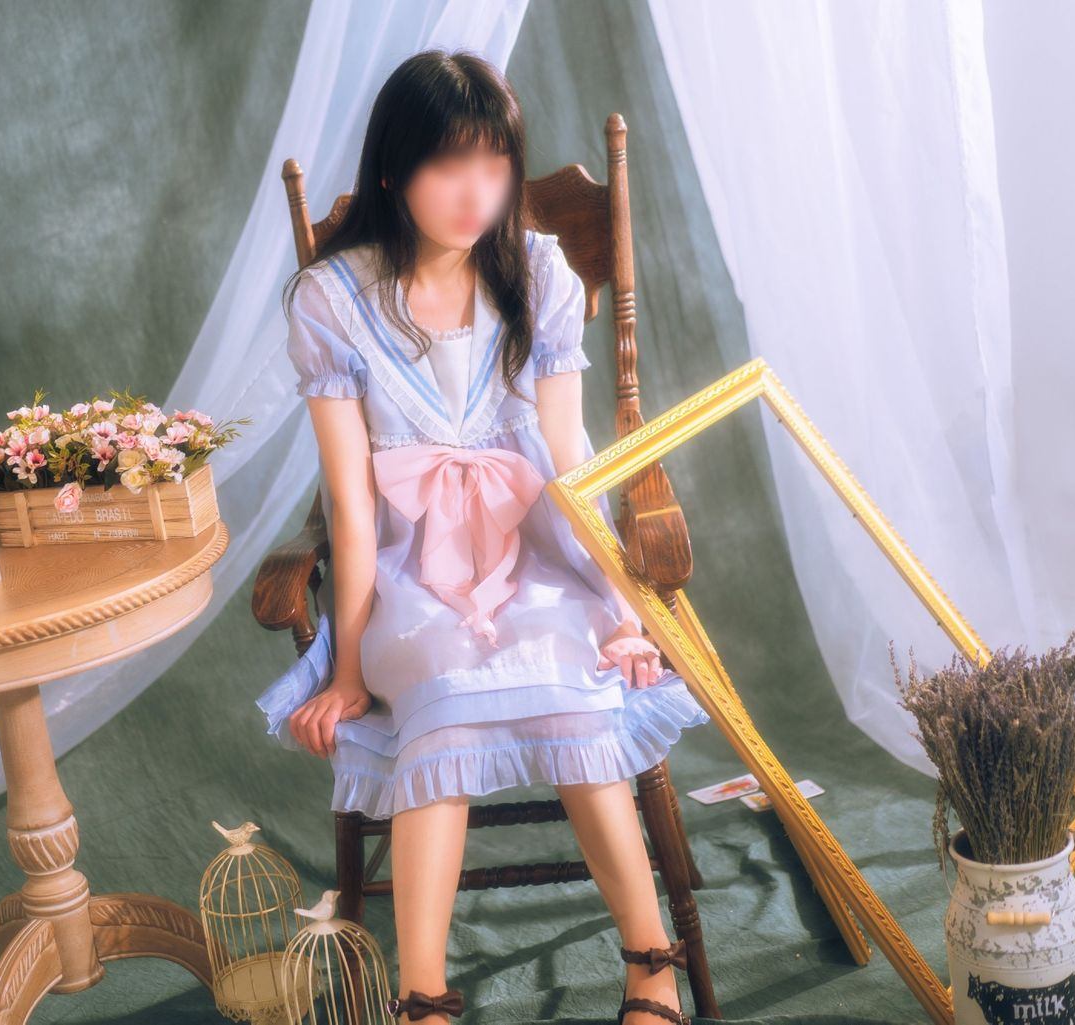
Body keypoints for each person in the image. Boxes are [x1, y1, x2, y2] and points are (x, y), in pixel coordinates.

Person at [254, 48, 710, 1025]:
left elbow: (571, 457)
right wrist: (346, 668)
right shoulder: (334, 301)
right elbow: (350, 501)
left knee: (575, 697)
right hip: (406, 575)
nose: (477, 192)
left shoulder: (539, 273)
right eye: (449, 164)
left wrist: (623, 610)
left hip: (534, 557)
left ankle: (651, 963)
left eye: (495, 164)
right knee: (444, 704)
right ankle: (422, 996)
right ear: (394, 170)